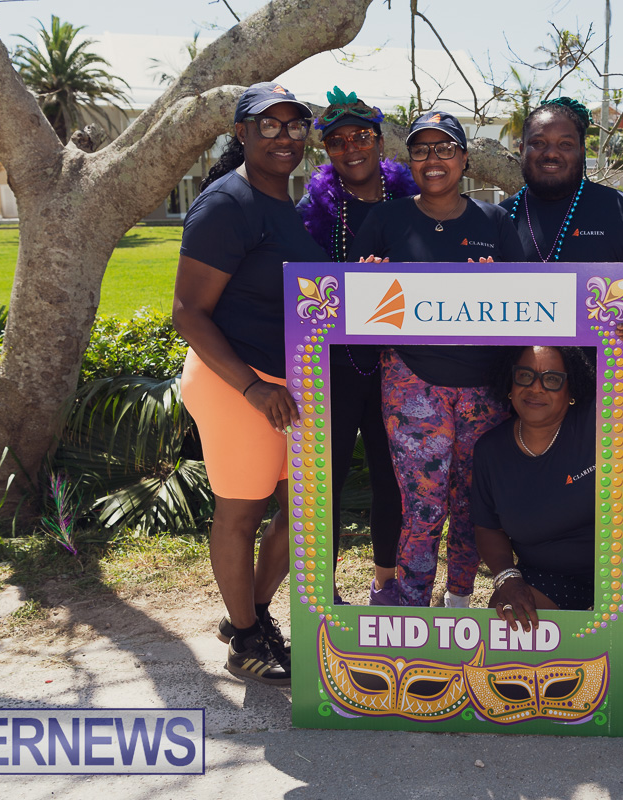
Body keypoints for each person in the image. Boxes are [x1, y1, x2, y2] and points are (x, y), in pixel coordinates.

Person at [173, 82, 326, 686]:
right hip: (238, 384)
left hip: (288, 385)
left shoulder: (282, 203)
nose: (283, 137)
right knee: (241, 514)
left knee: (303, 511)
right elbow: (188, 313)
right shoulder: (227, 203)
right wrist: (251, 388)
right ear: (242, 132)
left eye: (294, 126)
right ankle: (244, 642)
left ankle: (250, 616)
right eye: (268, 125)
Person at [348, 110, 523, 608]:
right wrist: (366, 279)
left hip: (484, 386)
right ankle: (410, 602)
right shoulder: (386, 220)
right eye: (422, 150)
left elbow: (528, 303)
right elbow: (350, 305)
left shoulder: (495, 221)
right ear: (410, 160)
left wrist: (499, 284)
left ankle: (459, 599)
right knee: (423, 503)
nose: (433, 159)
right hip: (412, 380)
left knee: (470, 502)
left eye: (445, 148)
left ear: (464, 159)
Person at [471, 316, 623, 681]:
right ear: (509, 384)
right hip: (551, 572)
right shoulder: (491, 450)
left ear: (571, 389)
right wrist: (507, 578)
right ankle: (587, 637)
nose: (536, 388)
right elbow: (488, 527)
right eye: (525, 376)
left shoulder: (602, 419)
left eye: (552, 379)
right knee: (510, 628)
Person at [298, 87, 418, 605]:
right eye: (338, 141)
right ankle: (322, 592)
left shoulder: (412, 198)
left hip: (400, 363)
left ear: (380, 141)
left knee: (394, 477)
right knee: (326, 477)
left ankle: (386, 584)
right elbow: (305, 292)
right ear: (327, 150)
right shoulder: (313, 209)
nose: (352, 148)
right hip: (338, 366)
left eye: (362, 136)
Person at [500, 97, 623, 329]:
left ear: (581, 152)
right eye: (538, 143)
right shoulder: (500, 218)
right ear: (522, 150)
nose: (551, 153)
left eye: (565, 144)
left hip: (604, 353)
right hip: (520, 353)